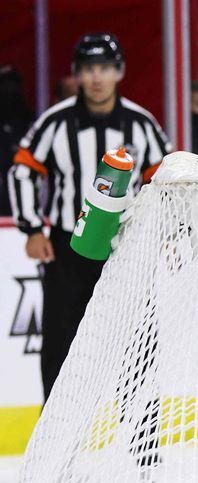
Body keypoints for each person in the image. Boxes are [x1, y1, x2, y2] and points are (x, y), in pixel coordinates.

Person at [7, 33, 171, 400]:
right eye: (89, 69)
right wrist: (33, 229)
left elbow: (165, 180)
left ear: (120, 72)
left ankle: (143, 446)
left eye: (105, 68)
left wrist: (165, 233)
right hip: (69, 250)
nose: (97, 77)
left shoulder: (140, 123)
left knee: (138, 344)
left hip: (125, 251)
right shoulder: (56, 122)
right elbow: (22, 170)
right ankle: (55, 443)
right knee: (60, 348)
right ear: (76, 74)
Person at [0, 65, 32, 218]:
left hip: (27, 200)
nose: (10, 90)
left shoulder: (28, 119)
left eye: (13, 84)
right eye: (5, 85)